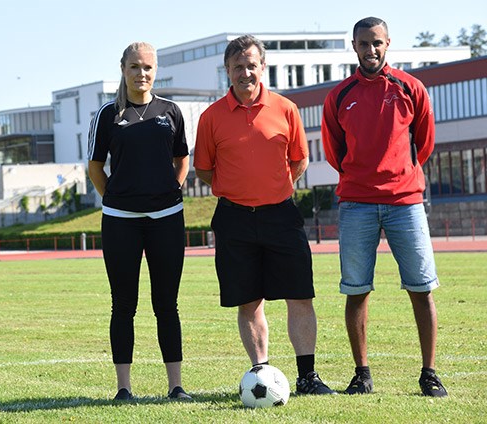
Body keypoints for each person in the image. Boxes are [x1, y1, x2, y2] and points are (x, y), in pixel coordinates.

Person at [194, 34, 335, 395]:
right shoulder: (210, 118)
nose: (245, 73)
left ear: (263, 67)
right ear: (227, 70)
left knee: (300, 295)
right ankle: (261, 374)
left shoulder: (286, 109)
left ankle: (307, 377)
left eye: (251, 65)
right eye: (237, 67)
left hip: (281, 217)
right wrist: (242, 189)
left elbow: (299, 160)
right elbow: (206, 170)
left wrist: (272, 188)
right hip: (234, 219)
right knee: (248, 300)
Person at [321, 17, 448, 397]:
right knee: (356, 291)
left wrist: (401, 174)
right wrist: (362, 178)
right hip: (356, 203)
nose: (370, 50)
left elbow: (423, 144)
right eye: (363, 43)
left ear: (388, 43)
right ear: (354, 46)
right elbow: (334, 152)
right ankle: (362, 374)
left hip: (405, 202)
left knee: (421, 288)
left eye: (377, 42)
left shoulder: (411, 88)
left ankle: (429, 373)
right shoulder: (339, 95)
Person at [87, 41, 191, 401]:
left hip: (167, 219)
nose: (141, 73)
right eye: (134, 67)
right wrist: (116, 199)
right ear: (123, 69)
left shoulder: (171, 111)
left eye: (147, 67)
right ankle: (123, 388)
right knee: (123, 304)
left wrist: (170, 192)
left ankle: (176, 386)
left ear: (155, 70)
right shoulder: (107, 114)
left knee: (167, 304)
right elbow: (95, 166)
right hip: (120, 222)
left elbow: (182, 160)